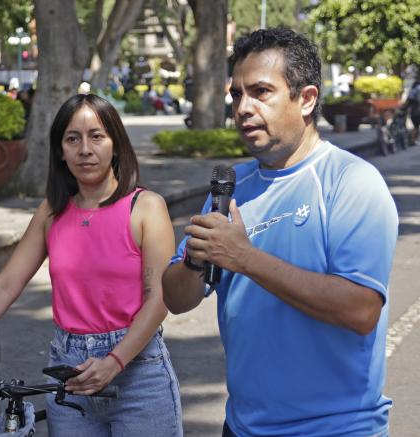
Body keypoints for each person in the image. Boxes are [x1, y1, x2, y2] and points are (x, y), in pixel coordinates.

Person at [162, 28, 398, 437]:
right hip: (242, 426)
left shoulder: (351, 181)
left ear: (306, 99)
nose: (242, 108)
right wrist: (196, 259)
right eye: (237, 94)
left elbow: (360, 311)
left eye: (261, 92)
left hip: (336, 429)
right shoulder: (230, 187)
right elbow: (176, 299)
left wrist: (245, 258)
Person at [0, 93, 183, 436]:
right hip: (68, 372)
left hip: (139, 373)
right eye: (73, 139)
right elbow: (6, 284)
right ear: (60, 150)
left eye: (96, 136)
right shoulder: (52, 211)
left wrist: (115, 360)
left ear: (116, 144)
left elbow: (157, 298)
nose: (85, 149)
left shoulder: (145, 207)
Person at [403, 80, 420, 145]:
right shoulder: (417, 91)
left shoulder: (413, 91)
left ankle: (412, 140)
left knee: (416, 127)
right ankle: (413, 140)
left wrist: (404, 108)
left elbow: (408, 102)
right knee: (416, 127)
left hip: (414, 112)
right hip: (416, 112)